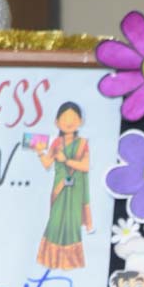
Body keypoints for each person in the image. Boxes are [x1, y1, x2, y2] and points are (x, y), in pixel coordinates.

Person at [36, 100, 93, 270]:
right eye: (65, 118)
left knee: (72, 223)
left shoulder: (82, 143)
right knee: (55, 221)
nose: (69, 122)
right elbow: (47, 164)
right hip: (59, 188)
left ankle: (70, 262)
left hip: (75, 190)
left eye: (73, 118)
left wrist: (66, 160)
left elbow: (85, 166)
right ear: (57, 122)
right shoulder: (56, 143)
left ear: (80, 121)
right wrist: (39, 152)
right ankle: (52, 261)